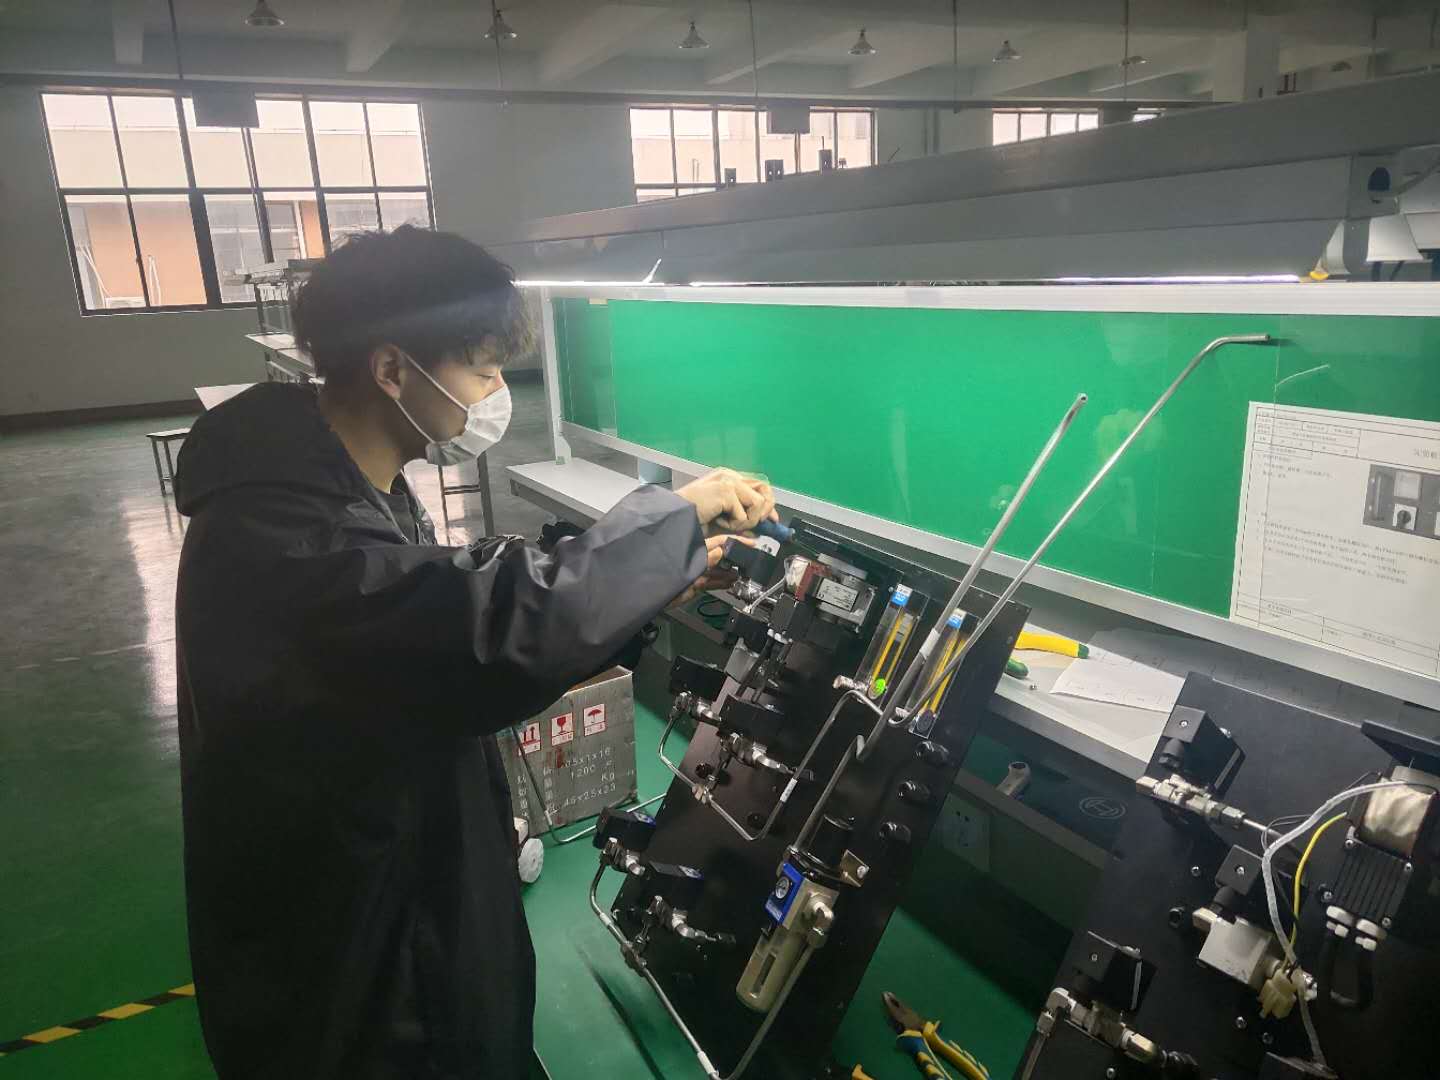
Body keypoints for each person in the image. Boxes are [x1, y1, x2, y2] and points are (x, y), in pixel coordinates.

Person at [172, 226, 775, 1079]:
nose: (498, 392)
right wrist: (668, 521)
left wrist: (644, 584)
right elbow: (482, 632)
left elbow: (448, 614)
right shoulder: (287, 540)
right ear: (393, 369)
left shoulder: (332, 484)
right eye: (483, 368)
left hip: (402, 902)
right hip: (362, 979)